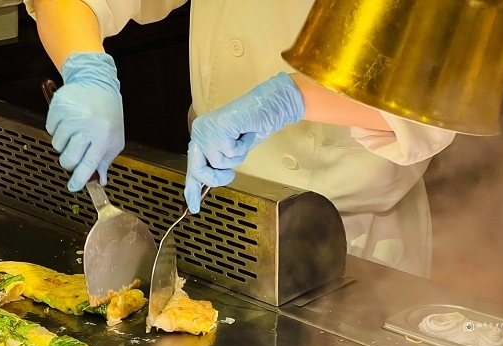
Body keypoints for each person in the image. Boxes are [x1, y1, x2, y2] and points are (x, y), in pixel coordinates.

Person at [26, 0, 457, 277]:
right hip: (214, 213)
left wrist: (290, 99)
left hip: (353, 243)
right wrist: (86, 69)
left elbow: (441, 93)